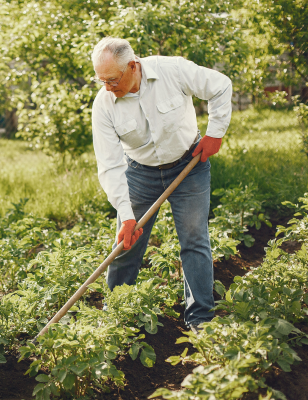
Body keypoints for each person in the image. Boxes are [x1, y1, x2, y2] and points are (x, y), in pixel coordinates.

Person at [91, 37, 232, 333]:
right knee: (126, 244)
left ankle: (200, 318)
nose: (107, 87)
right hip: (139, 173)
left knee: (194, 239)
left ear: (133, 66)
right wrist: (127, 215)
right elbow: (110, 164)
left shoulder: (172, 70)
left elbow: (220, 85)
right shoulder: (104, 104)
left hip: (188, 165)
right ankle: (116, 315)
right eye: (101, 80)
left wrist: (215, 133)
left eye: (112, 80)